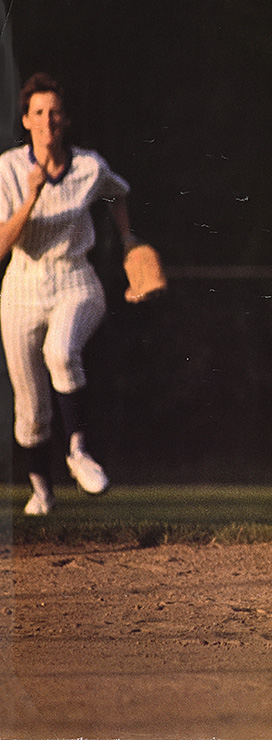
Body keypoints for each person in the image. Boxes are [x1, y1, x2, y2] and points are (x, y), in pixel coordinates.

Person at [1, 72, 138, 515]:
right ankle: (42, 491)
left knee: (61, 352)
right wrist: (31, 197)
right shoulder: (8, 169)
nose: (48, 121)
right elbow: (2, 245)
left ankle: (79, 452)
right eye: (38, 113)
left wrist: (129, 242)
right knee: (32, 407)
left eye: (55, 112)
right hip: (23, 282)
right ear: (26, 120)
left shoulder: (88, 167)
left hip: (76, 279)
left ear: (67, 119)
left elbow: (119, 193)